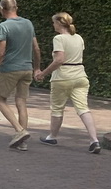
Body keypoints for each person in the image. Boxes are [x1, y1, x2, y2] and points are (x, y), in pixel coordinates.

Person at [33, 12, 101, 154]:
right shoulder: (79, 38)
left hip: (62, 77)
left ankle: (52, 137)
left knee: (57, 109)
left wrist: (42, 73)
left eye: (53, 22)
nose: (53, 25)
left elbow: (59, 60)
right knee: (83, 108)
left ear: (59, 23)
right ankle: (94, 140)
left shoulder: (59, 38)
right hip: (81, 76)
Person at [0, 0, 40, 151]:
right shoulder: (28, 23)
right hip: (27, 68)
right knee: (21, 102)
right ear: (16, 7)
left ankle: (20, 131)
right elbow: (36, 48)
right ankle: (22, 143)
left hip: (10, 69)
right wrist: (36, 67)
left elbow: (0, 52)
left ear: (2, 9)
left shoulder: (4, 26)